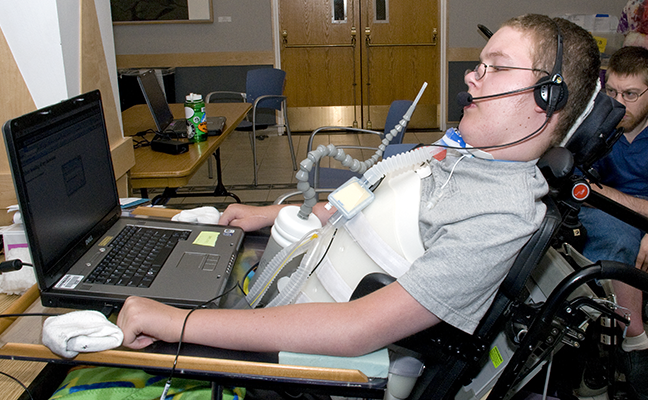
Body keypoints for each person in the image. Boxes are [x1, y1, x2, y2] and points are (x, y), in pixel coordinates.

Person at [117, 15, 601, 360]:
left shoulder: (501, 215)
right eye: (478, 63)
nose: (471, 78)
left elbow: (358, 330)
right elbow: (371, 196)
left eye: (494, 66)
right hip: (289, 287)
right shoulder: (460, 155)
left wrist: (178, 324)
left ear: (547, 97)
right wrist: (268, 214)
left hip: (311, 352)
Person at [577, 45, 648, 399]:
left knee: (624, 237)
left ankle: (631, 341)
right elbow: (576, 184)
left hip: (628, 222)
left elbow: (594, 190)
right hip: (602, 218)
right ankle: (612, 346)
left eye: (631, 94)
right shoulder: (599, 126)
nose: (619, 102)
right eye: (612, 91)